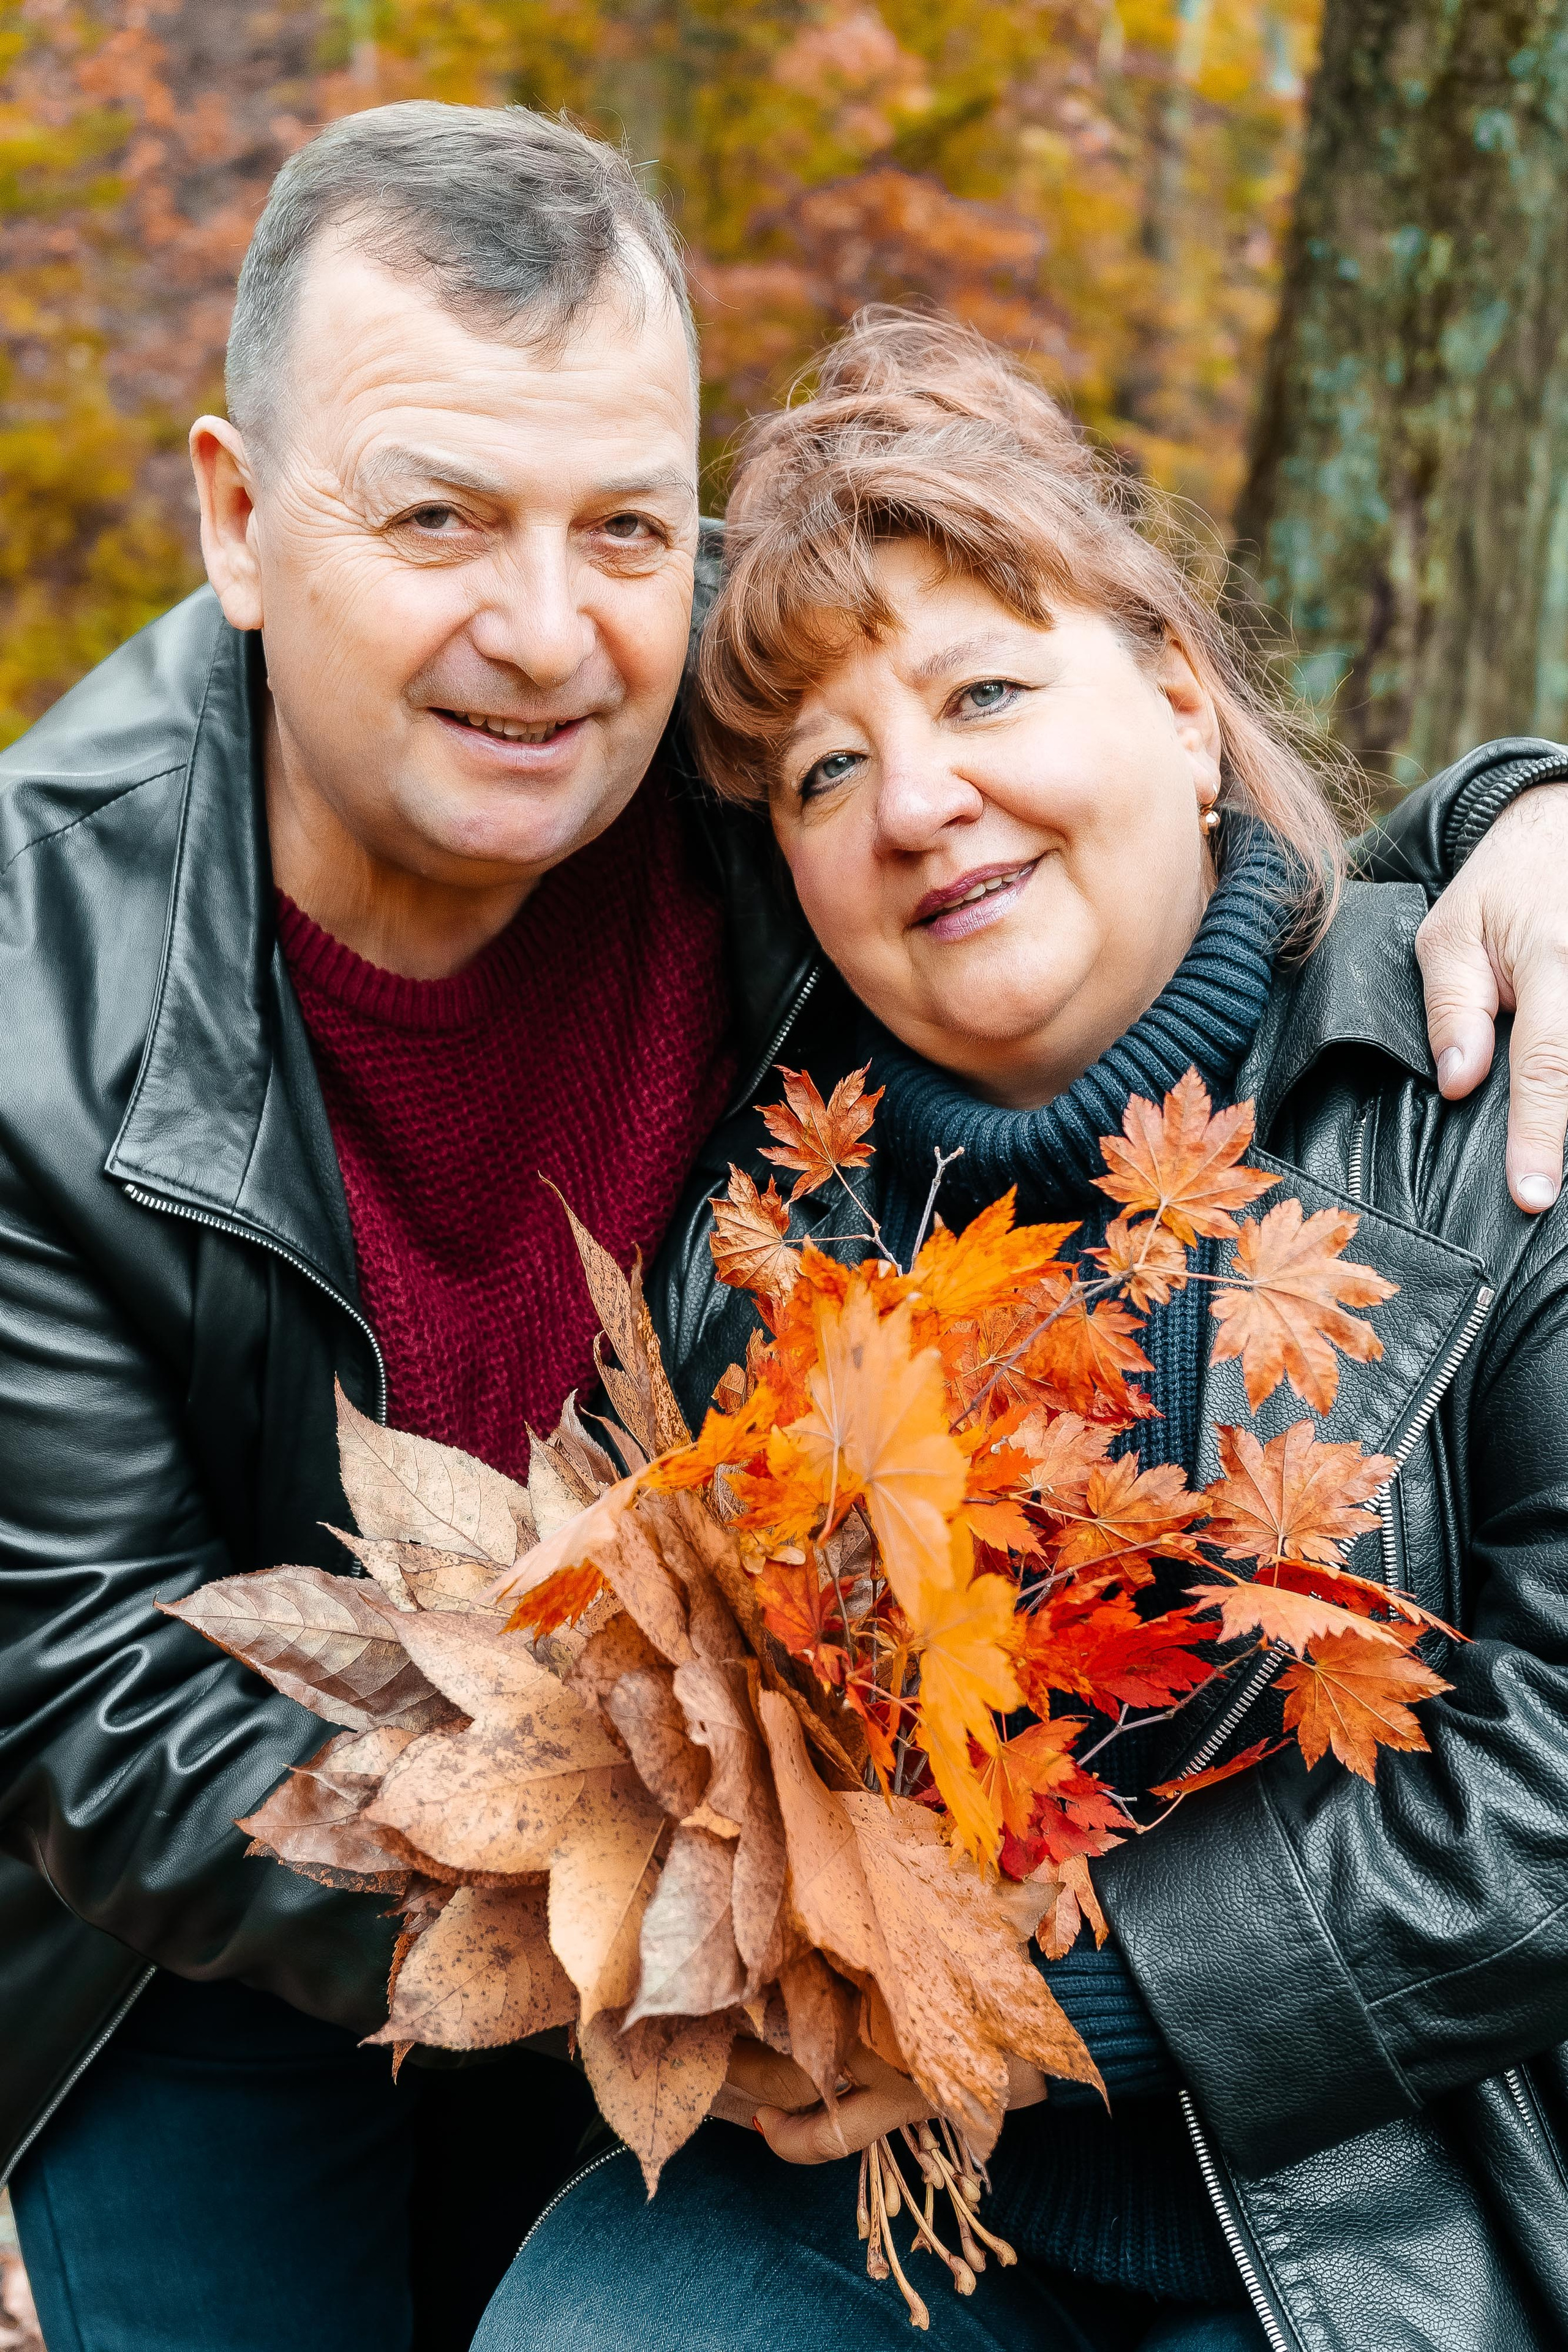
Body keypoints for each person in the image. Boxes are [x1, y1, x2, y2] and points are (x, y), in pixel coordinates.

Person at [0, 102, 1561, 2352]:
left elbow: (1118, 802)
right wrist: (717, 1949)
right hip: (243, 1907)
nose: (546, 632)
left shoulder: (756, 708)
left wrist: (1522, 812)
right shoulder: (46, 989)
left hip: (930, 1972)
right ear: (242, 519)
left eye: (625, 523)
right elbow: (86, 1684)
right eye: (435, 514)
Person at [475, 314, 1568, 2352]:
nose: (919, 801)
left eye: (986, 687)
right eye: (825, 766)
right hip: (900, 2212)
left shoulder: (1492, 1090)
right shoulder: (762, 1249)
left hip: (1378, 2212)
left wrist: (1075, 2000)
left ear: (1174, 694)